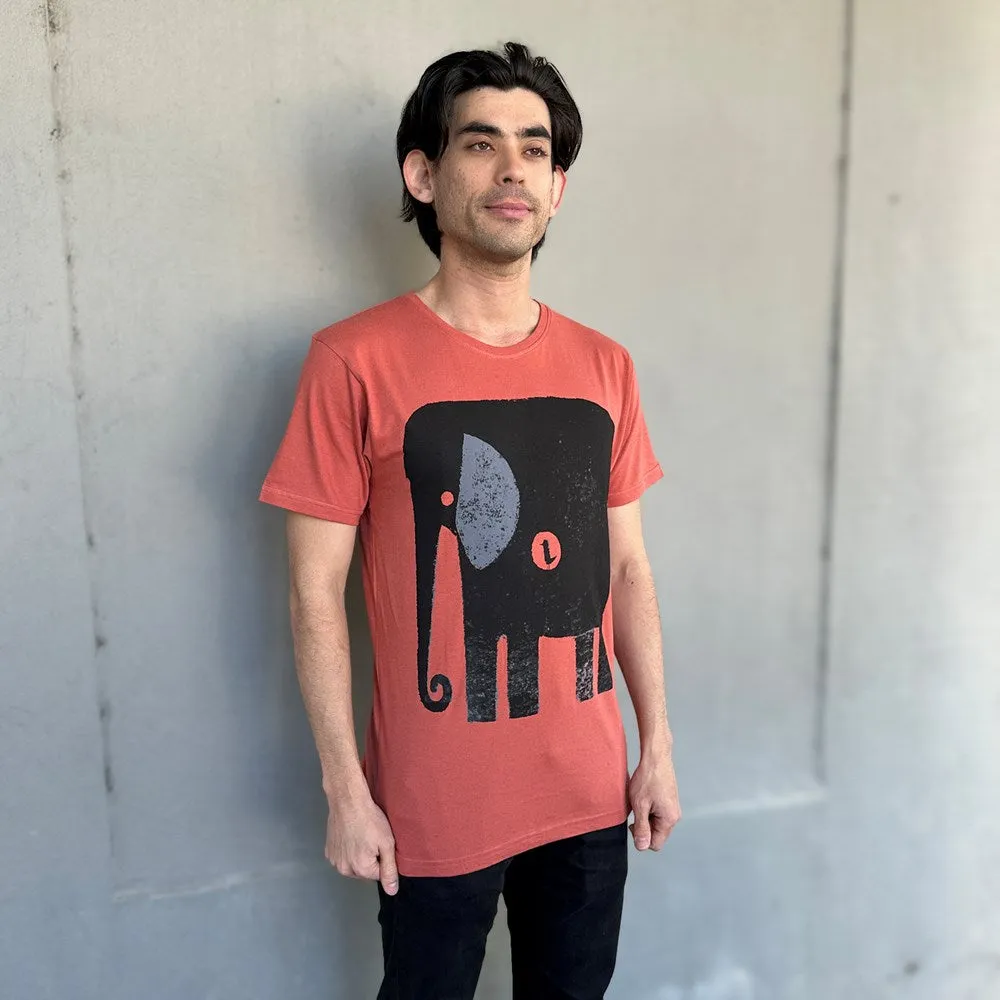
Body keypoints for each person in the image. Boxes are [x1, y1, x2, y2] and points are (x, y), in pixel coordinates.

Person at [259, 40, 681, 1000]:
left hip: (588, 793)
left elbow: (626, 570)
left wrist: (656, 746)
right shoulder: (352, 361)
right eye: (481, 144)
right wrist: (346, 791)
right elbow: (315, 591)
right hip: (432, 803)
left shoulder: (605, 366)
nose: (512, 170)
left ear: (557, 188)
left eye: (535, 149)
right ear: (424, 175)